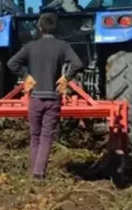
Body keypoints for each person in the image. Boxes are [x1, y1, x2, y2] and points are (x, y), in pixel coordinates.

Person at [6, 13, 84, 180]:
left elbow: (11, 63)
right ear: (57, 28)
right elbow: (77, 63)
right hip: (53, 99)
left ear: (39, 28)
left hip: (35, 99)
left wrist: (26, 76)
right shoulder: (63, 46)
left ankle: (33, 173)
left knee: (34, 135)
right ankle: (38, 173)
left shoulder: (30, 46)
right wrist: (66, 78)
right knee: (46, 136)